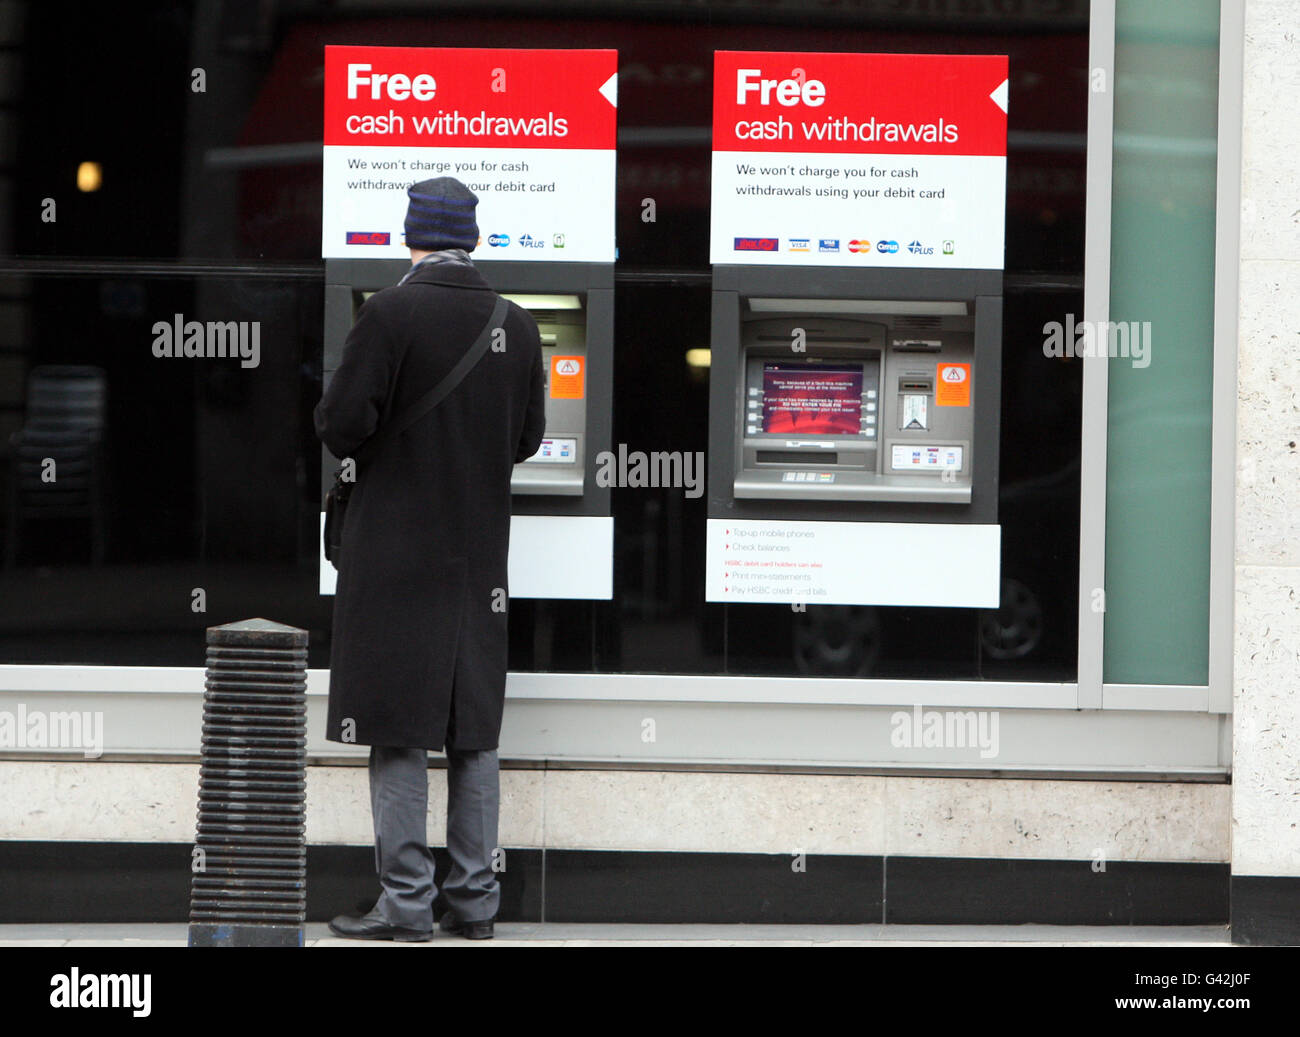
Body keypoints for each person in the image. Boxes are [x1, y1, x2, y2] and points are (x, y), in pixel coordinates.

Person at [315, 177, 545, 941]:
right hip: (479, 561)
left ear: (410, 235)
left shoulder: (386, 314)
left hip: (394, 556)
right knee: (473, 731)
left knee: (397, 727)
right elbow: (528, 440)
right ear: (473, 239)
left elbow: (342, 426)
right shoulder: (517, 323)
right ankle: (475, 903)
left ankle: (406, 904)